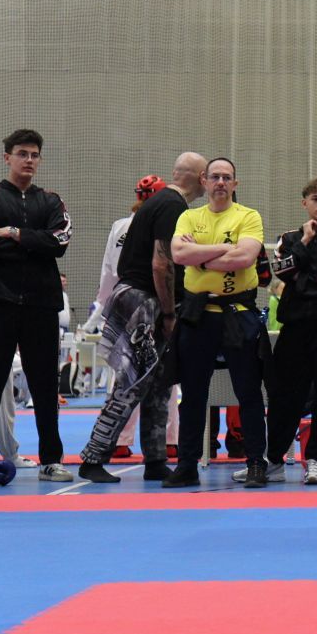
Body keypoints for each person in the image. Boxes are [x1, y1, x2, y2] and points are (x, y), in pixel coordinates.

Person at [78, 154, 207, 482]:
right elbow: (161, 264)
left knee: (159, 382)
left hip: (136, 295)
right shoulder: (172, 207)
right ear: (201, 178)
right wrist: (168, 311)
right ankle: (94, 456)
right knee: (132, 382)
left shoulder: (158, 204)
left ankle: (155, 459)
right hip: (144, 301)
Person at [237, 177, 317, 486]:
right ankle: (274, 459)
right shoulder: (288, 238)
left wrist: (303, 283)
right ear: (304, 203)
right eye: (316, 199)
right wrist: (304, 242)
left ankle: (316, 458)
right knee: (283, 394)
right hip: (295, 326)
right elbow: (282, 270)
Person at [163, 157, 269, 488]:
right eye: (215, 177)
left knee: (248, 392)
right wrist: (223, 249)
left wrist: (202, 258)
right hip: (198, 315)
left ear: (235, 184)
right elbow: (179, 255)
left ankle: (256, 462)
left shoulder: (248, 216)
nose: (221, 182)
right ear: (204, 181)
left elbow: (245, 257)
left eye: (227, 177)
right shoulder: (188, 216)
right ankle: (187, 465)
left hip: (238, 312)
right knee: (193, 393)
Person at [0, 129, 73, 482]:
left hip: (41, 305)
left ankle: (50, 461)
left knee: (45, 386)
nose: (28, 160)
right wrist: (35, 243)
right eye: (22, 154)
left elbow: (60, 242)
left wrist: (15, 234)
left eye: (34, 155)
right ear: (7, 157)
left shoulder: (51, 201)